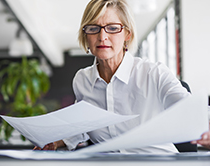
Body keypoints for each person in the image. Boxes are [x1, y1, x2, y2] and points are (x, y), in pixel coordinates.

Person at [34, 0, 210, 153]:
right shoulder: (82, 81)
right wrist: (58, 140)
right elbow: (84, 124)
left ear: (127, 34)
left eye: (112, 28)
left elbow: (191, 110)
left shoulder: (153, 73)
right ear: (86, 35)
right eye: (94, 28)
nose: (102, 37)